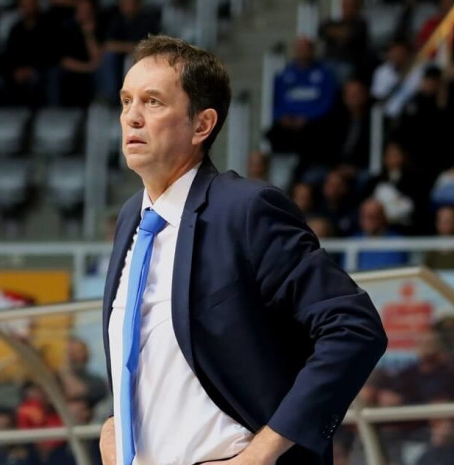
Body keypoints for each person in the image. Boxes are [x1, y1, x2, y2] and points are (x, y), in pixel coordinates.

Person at [101, 35, 387, 465]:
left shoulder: (246, 209)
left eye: (153, 102)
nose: (132, 117)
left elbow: (354, 327)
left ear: (202, 125)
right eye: (126, 101)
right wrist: (115, 425)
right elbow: (156, 360)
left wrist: (262, 453)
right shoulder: (131, 217)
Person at [266, 37, 337, 155]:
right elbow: (275, 101)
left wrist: (307, 117)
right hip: (288, 121)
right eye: (299, 49)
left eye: (305, 49)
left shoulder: (325, 74)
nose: (302, 52)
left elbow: (327, 102)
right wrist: (282, 116)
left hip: (313, 122)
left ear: (312, 50)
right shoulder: (284, 74)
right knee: (273, 133)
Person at [3, 0, 53, 107]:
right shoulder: (16, 29)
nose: (28, 10)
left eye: (30, 6)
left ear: (37, 7)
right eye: (24, 6)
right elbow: (11, 54)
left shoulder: (48, 27)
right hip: (19, 70)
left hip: (41, 69)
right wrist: (17, 70)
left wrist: (32, 70)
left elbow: (49, 54)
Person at [353, 198, 408, 271]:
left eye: (373, 216)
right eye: (364, 216)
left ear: (383, 217)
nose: (368, 221)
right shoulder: (353, 241)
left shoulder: (397, 242)